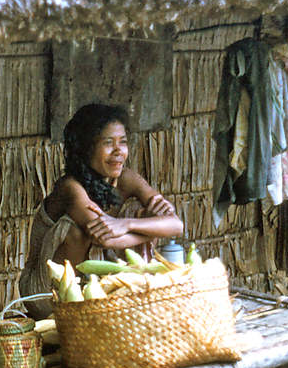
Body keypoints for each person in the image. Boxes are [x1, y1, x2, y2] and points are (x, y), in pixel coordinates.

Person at [19, 103, 184, 319]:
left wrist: (127, 224)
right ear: (86, 148)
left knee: (140, 211)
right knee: (76, 232)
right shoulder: (70, 187)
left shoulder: (126, 178)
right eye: (108, 143)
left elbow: (176, 225)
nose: (118, 151)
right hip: (44, 293)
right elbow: (105, 238)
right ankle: (72, 308)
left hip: (93, 287)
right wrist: (152, 229)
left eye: (122, 142)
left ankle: (107, 294)